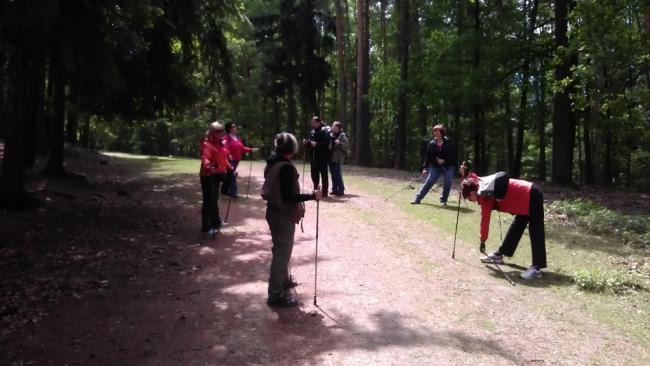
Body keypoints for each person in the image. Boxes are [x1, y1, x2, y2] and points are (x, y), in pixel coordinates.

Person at [262, 132, 322, 307]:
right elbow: (289, 197)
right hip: (282, 214)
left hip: (274, 212)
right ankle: (275, 295)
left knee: (281, 250)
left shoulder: (272, 162)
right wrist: (312, 196)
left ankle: (284, 280)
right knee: (282, 253)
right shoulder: (286, 167)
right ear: (292, 148)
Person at [460, 168, 547, 280]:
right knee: (517, 226)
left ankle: (536, 269)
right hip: (523, 199)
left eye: (469, 198)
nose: (472, 201)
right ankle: (500, 255)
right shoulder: (480, 185)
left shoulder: (485, 194)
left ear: (472, 192)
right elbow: (470, 177)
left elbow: (485, 220)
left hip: (531, 194)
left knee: (535, 230)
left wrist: (482, 240)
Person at [199, 121, 233, 235]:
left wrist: (229, 166)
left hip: (217, 174)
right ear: (211, 132)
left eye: (221, 130)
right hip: (208, 175)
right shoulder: (206, 143)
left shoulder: (221, 143)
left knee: (214, 199)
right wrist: (208, 165)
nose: (220, 133)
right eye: (217, 131)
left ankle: (216, 222)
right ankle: (206, 227)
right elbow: (205, 157)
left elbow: (223, 157)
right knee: (208, 201)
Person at [411, 123, 456, 206]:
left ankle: (443, 201)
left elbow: (452, 156)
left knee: (447, 182)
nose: (435, 133)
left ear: (441, 133)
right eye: (434, 131)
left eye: (437, 131)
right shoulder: (432, 144)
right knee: (429, 181)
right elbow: (427, 157)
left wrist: (444, 160)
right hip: (436, 166)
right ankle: (417, 199)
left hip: (448, 166)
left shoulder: (448, 142)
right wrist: (425, 168)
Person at [221, 121, 254, 198]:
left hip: (237, 160)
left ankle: (224, 190)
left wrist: (250, 150)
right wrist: (229, 155)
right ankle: (233, 193)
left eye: (235, 126)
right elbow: (225, 148)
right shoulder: (226, 137)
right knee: (232, 175)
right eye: (233, 126)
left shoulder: (237, 138)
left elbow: (242, 148)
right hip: (230, 160)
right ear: (229, 129)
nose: (236, 128)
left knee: (230, 175)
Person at [303, 116, 331, 197]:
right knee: (314, 173)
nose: (312, 124)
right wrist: (307, 143)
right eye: (311, 123)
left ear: (318, 122)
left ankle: (325, 191)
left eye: (313, 123)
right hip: (314, 156)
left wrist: (317, 144)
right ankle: (316, 189)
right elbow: (311, 143)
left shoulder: (324, 131)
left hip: (322, 156)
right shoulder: (312, 131)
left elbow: (326, 143)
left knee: (323, 174)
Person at [328, 121, 348, 196]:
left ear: (338, 128)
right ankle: (334, 189)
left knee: (337, 174)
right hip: (330, 158)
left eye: (334, 126)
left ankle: (341, 189)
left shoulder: (342, 136)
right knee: (333, 174)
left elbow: (346, 146)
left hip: (337, 158)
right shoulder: (330, 134)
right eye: (332, 126)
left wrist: (340, 143)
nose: (332, 127)